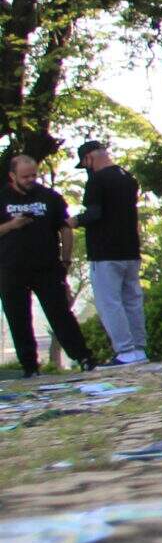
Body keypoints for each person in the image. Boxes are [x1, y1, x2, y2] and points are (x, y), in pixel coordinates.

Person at [0, 151, 97, 376]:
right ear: (12, 176)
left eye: (33, 175)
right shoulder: (2, 197)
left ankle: (84, 357)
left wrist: (66, 259)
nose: (30, 180)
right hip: (11, 268)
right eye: (25, 177)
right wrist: (12, 225)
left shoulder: (49, 197)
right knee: (18, 316)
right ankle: (30, 367)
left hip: (46, 266)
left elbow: (65, 227)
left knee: (60, 313)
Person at [73, 139, 147, 365]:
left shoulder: (97, 181)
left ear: (89, 158)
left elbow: (95, 213)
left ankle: (124, 351)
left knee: (110, 302)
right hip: (130, 249)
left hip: (105, 252)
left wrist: (72, 221)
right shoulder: (128, 178)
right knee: (133, 300)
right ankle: (139, 349)